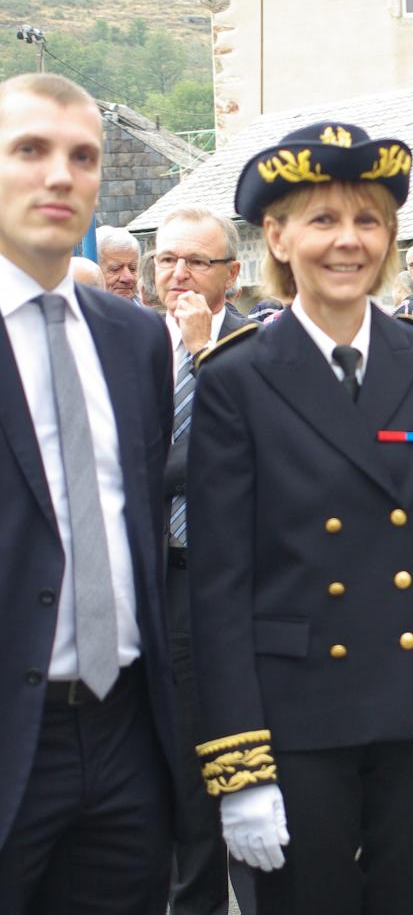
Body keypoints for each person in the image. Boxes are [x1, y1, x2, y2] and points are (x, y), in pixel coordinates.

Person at [186, 121, 413, 915]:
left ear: (392, 237)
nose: (348, 241)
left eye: (368, 220)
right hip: (297, 726)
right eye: (323, 220)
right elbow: (220, 587)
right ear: (277, 235)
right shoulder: (237, 380)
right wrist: (240, 766)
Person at [0, 73, 177, 912]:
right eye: (30, 150)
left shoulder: (135, 339)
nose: (60, 176)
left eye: (83, 156)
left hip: (124, 733)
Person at [152, 205, 256, 915]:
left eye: (197, 261)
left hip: (244, 584)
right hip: (159, 581)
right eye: (168, 260)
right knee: (183, 783)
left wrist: (202, 357)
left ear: (232, 274)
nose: (179, 274)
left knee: (250, 777)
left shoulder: (257, 347)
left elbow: (243, 451)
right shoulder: (125, 345)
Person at [96, 224, 141, 300]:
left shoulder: (145, 310)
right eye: (115, 269)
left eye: (133, 268)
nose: (128, 278)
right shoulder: (75, 310)